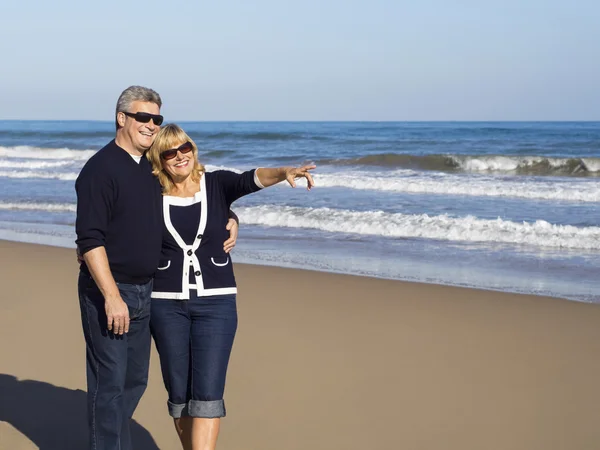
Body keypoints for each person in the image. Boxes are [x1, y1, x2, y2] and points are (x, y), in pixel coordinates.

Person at [75, 86, 238, 450]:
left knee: (134, 381)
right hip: (111, 293)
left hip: (147, 291)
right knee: (110, 383)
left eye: (156, 119)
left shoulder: (150, 168)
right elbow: (89, 240)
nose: (151, 125)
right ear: (122, 119)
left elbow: (187, 197)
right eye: (143, 117)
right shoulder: (100, 170)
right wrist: (112, 297)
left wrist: (229, 216)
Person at [146, 123, 315, 450]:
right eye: (170, 152)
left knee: (207, 393)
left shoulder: (217, 183)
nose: (180, 156)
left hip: (216, 305)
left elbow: (252, 178)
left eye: (186, 149)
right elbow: (120, 218)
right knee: (179, 393)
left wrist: (283, 171)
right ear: (160, 159)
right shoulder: (151, 193)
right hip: (165, 304)